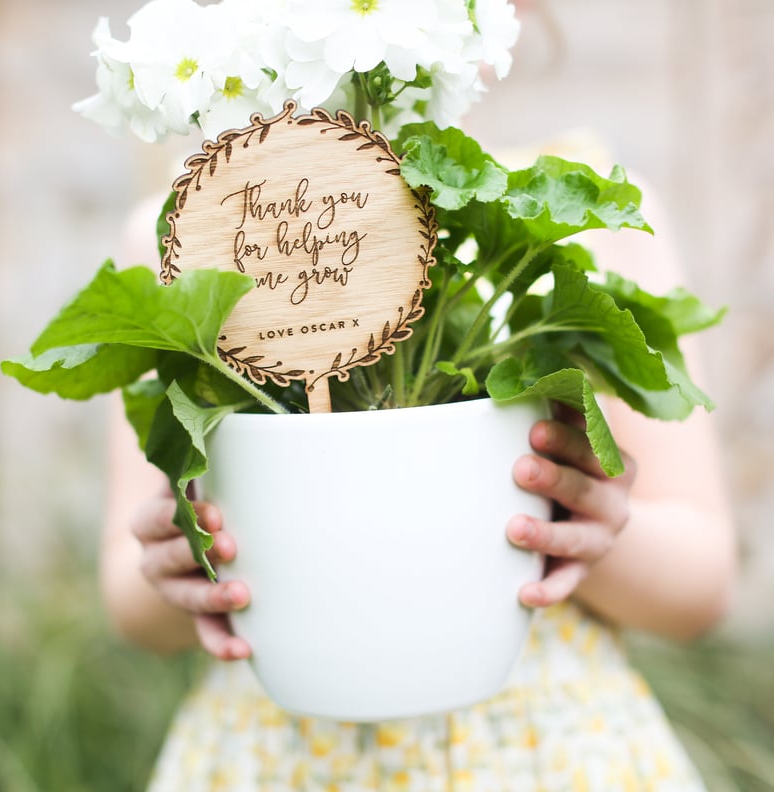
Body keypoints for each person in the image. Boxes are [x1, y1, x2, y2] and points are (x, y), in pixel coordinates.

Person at [101, 157, 735, 789]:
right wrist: (188, 557)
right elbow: (128, 600)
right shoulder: (192, 228)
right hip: (278, 743)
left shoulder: (601, 214)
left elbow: (702, 589)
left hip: (549, 746)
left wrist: (586, 523)